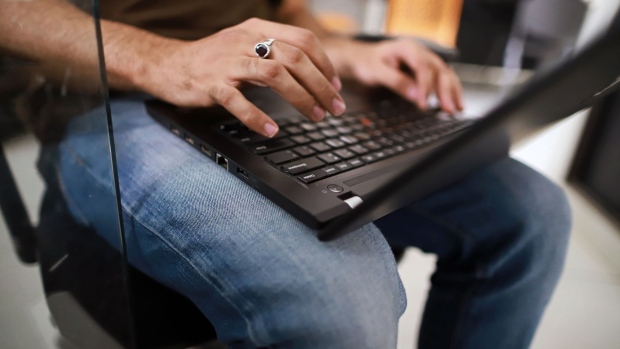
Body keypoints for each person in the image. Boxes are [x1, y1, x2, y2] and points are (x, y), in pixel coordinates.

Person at [0, 0, 571, 348]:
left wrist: (344, 51)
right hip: (110, 93)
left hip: (260, 90)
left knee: (534, 211)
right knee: (342, 300)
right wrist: (162, 58)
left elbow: (284, 11)